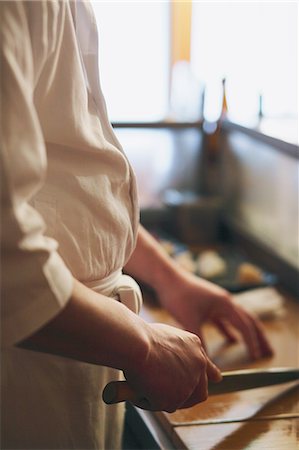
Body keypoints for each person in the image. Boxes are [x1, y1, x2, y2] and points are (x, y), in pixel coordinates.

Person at [0, 1, 273, 449]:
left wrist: (172, 280)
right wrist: (142, 344)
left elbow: (71, 198)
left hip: (75, 348)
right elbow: (7, 256)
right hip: (24, 372)